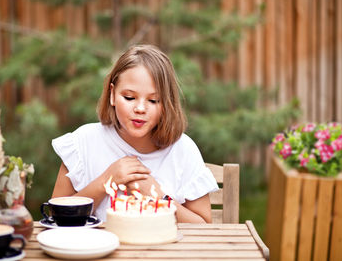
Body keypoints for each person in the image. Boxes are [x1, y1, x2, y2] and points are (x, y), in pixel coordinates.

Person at [51, 44, 218, 223]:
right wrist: (107, 181)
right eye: (129, 97)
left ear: (166, 103)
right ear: (112, 94)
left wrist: (159, 199)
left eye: (153, 100)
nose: (140, 108)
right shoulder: (83, 142)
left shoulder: (183, 150)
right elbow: (56, 216)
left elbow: (204, 226)